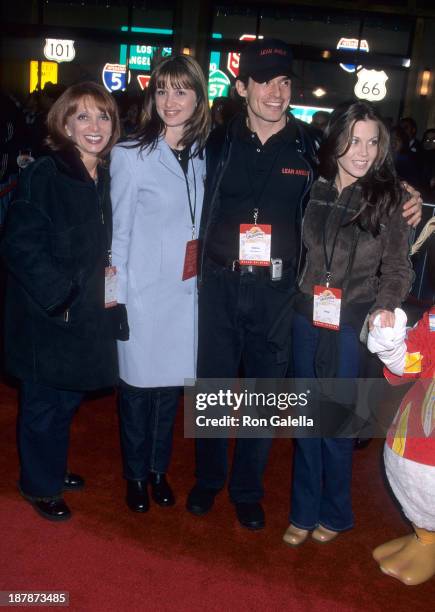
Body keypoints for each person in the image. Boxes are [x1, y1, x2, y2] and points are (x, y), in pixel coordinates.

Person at [187, 41, 422, 532]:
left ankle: (247, 489)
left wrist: (406, 194)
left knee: (264, 393)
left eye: (284, 81)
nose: (277, 91)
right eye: (265, 80)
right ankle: (209, 480)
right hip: (221, 284)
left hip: (279, 292)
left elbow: (361, 170)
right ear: (241, 86)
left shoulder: (309, 145)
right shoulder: (215, 141)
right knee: (215, 387)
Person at [282, 101, 415, 547]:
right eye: (353, 140)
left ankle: (337, 513)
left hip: (349, 322)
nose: (362, 152)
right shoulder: (311, 187)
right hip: (305, 315)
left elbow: (399, 269)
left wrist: (385, 305)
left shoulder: (389, 197)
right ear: (336, 139)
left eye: (372, 142)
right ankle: (302, 511)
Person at [1, 82, 121, 521]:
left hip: (87, 313)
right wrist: (62, 296)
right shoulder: (45, 174)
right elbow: (20, 246)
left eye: (103, 116)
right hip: (48, 317)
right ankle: (38, 484)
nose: (95, 126)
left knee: (67, 398)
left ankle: (49, 463)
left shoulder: (107, 175)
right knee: (43, 404)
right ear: (64, 122)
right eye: (83, 116)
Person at [110, 55, 209, 513]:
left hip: (186, 299)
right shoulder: (130, 155)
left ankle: (157, 470)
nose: (171, 101)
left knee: (169, 393)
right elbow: (119, 236)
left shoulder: (205, 156)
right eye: (163, 90)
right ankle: (134, 475)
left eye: (181, 90)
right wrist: (117, 300)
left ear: (198, 99)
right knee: (135, 393)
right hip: (143, 297)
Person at [368, 252, 435, 585]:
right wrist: (392, 348)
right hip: (417, 427)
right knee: (416, 486)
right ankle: (424, 538)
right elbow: (417, 361)